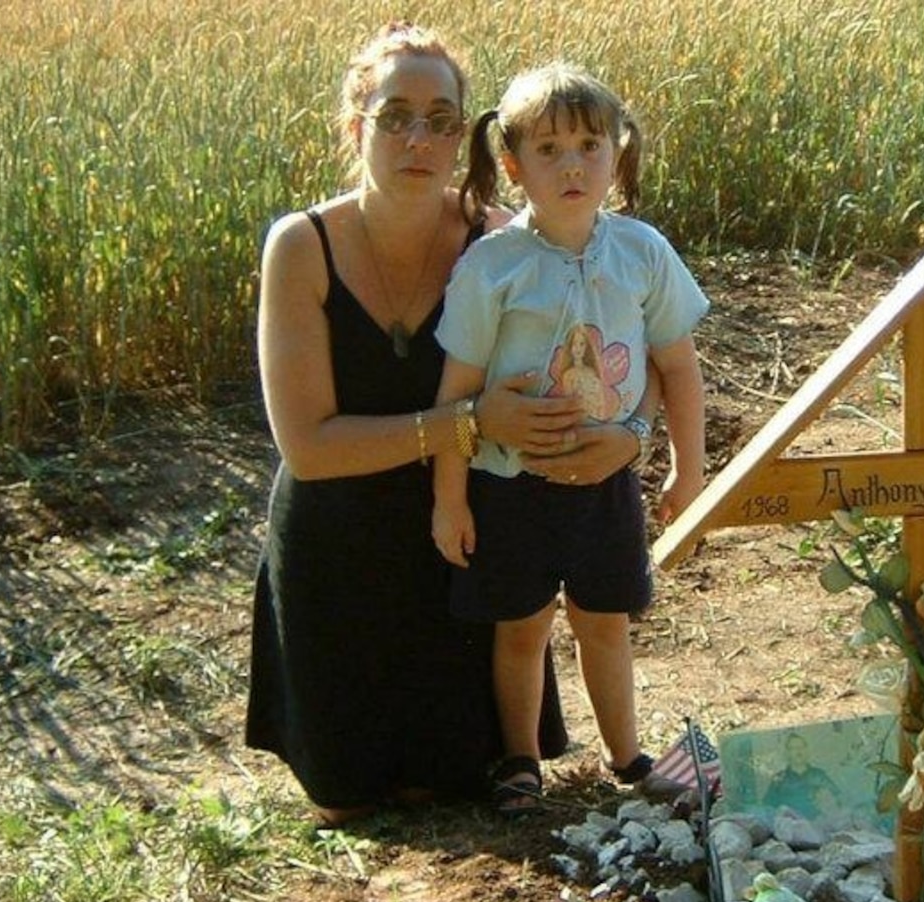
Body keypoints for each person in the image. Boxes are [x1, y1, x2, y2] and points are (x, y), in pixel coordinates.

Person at [245, 25, 657, 827]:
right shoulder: (300, 246)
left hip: (464, 548)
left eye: (441, 120)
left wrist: (636, 438)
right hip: (338, 552)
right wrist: (468, 421)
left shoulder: (504, 244)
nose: (418, 138)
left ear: (466, 136)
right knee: (345, 802)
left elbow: (614, 360)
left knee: (455, 789)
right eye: (395, 115)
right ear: (354, 123)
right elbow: (309, 448)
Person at [431, 63, 708, 815]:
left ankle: (627, 756)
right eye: (548, 149)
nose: (573, 164)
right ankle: (520, 761)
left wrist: (686, 469)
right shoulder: (493, 266)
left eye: (590, 144)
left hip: (606, 486)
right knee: (520, 630)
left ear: (617, 155)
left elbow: (677, 366)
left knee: (604, 622)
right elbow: (455, 395)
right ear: (513, 166)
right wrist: (449, 500)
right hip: (509, 484)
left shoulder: (641, 252)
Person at [763, 733, 841, 820]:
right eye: (793, 748)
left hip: (819, 828)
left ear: (806, 750)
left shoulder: (819, 775)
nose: (798, 751)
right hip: (790, 829)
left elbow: (838, 799)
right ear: (787, 753)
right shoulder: (779, 779)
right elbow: (768, 808)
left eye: (801, 747)